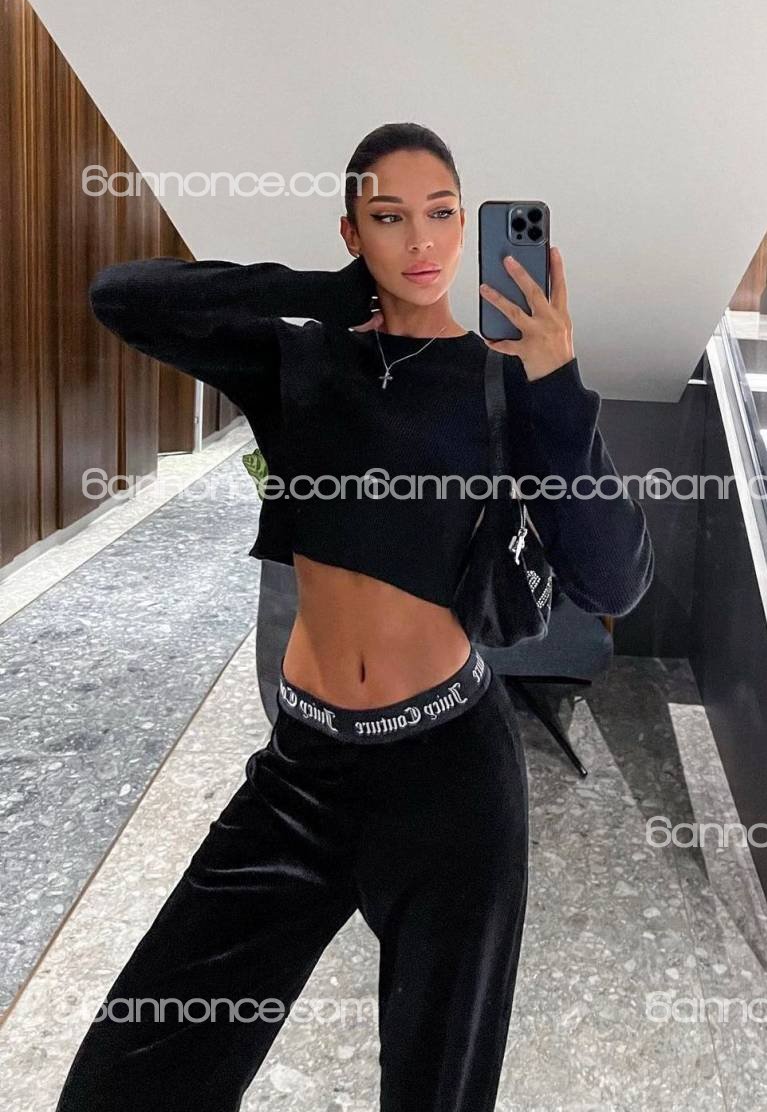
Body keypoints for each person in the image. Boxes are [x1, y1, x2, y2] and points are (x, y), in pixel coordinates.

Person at [57, 122, 654, 1112]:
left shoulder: (502, 381)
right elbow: (125, 295)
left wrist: (557, 384)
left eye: (440, 214)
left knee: (435, 1091)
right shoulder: (300, 362)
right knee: (129, 1077)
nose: (420, 240)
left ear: (464, 226)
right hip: (303, 774)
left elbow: (613, 579)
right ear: (352, 233)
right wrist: (335, 296)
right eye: (388, 218)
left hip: (449, 784)